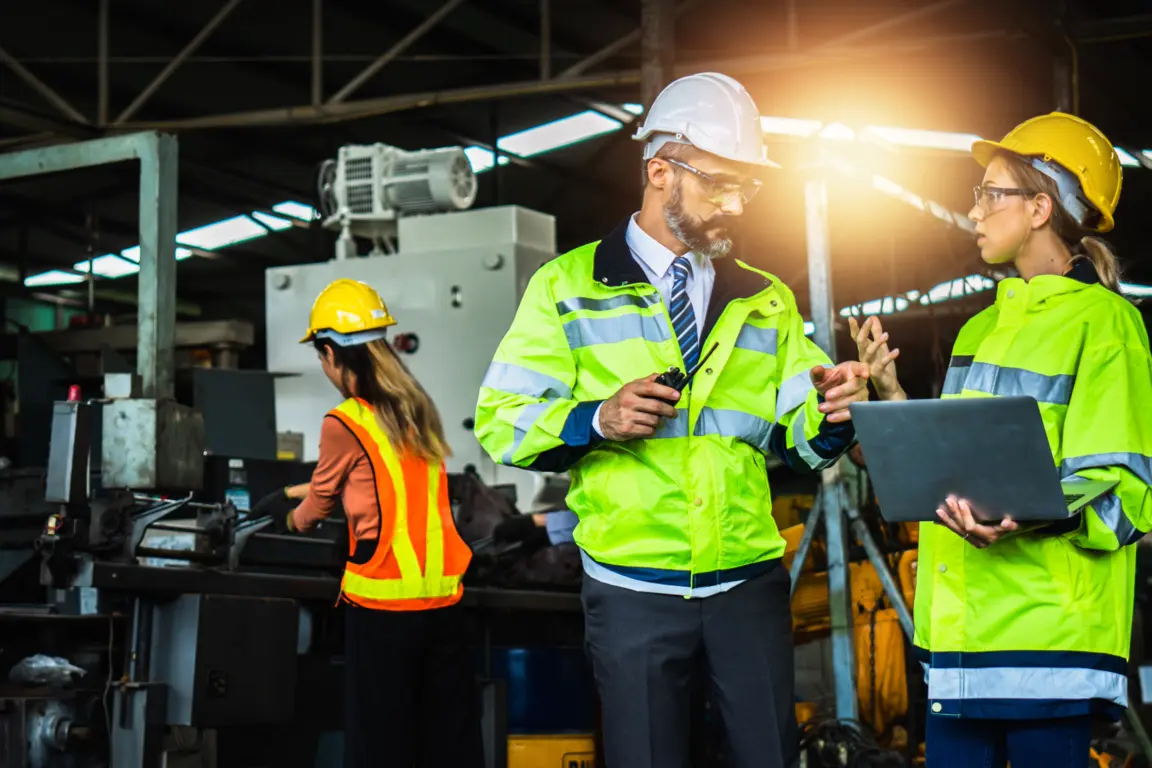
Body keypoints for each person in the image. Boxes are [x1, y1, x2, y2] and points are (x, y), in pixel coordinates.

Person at [474, 71, 870, 768]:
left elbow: (802, 442)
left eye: (747, 186)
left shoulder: (767, 301)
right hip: (632, 588)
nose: (736, 203)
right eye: (719, 182)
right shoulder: (566, 288)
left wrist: (833, 410)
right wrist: (596, 417)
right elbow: (501, 422)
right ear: (660, 170)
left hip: (745, 580)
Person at [850, 112, 1152, 767]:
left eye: (992, 192)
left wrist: (1023, 515)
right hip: (960, 643)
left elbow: (1121, 491)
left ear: (1041, 207)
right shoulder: (981, 329)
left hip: (1048, 641)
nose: (975, 209)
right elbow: (960, 462)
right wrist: (891, 396)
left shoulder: (1107, 324)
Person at [256, 278, 483, 768]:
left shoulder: (344, 421)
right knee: (446, 742)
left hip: (384, 608)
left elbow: (320, 504)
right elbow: (374, 479)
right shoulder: (414, 409)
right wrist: (298, 489)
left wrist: (284, 518)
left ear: (332, 352)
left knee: (379, 745)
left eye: (321, 356)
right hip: (443, 601)